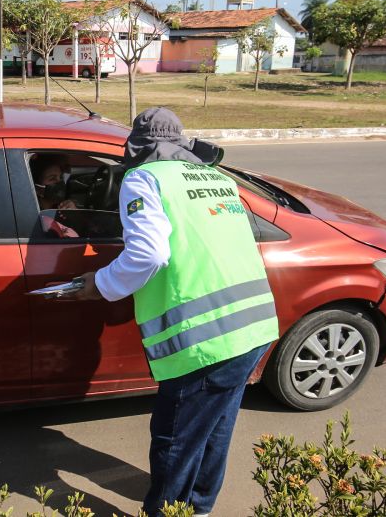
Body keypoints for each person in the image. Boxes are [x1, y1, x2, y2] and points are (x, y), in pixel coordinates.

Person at [74, 107, 279, 517]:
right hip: (254, 326)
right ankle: (199, 508)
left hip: (205, 338)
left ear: (138, 147)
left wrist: (98, 284)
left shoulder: (143, 178)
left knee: (176, 437)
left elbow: (150, 252)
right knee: (215, 427)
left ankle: (167, 513)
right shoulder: (217, 179)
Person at [31, 157, 79, 238]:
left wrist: (74, 215)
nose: (59, 182)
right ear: (38, 189)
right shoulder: (37, 218)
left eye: (60, 177)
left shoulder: (59, 211)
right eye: (52, 178)